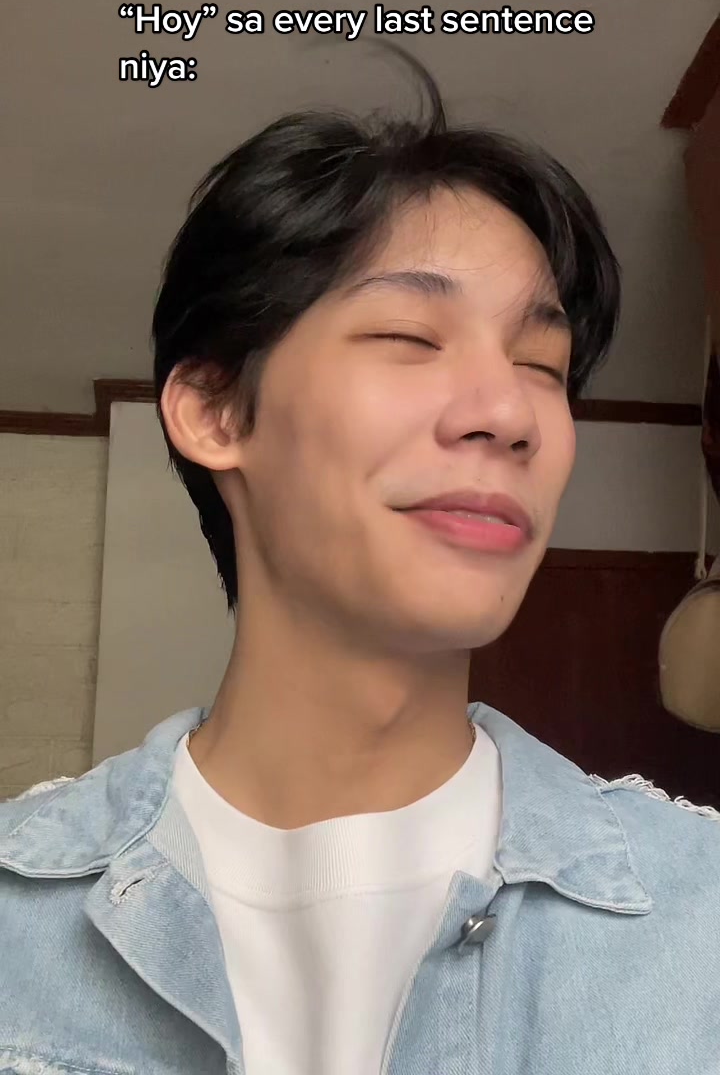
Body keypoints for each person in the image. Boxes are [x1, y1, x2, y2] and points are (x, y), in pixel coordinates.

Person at [1, 53, 718, 1075]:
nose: (509, 412)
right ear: (216, 412)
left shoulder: (699, 924)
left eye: (541, 365)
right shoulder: (18, 928)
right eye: (409, 336)